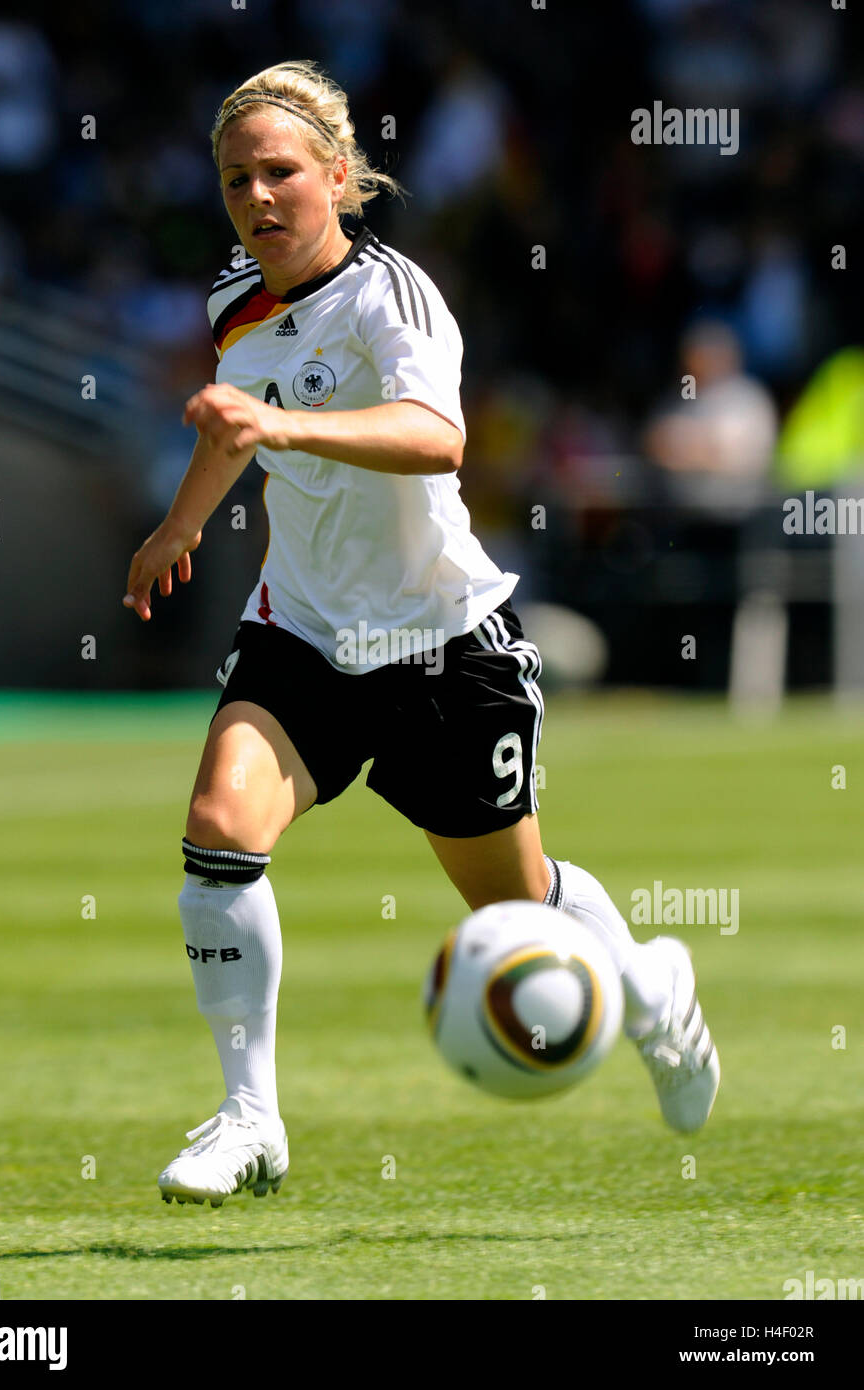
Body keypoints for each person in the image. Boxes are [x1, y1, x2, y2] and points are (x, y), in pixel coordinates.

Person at [122, 60, 720, 1207]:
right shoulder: (234, 302)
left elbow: (436, 437)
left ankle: (650, 993)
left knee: (516, 906)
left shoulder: (395, 293)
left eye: (282, 171)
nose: (258, 195)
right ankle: (250, 1116)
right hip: (300, 630)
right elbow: (236, 423)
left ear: (340, 178)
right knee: (218, 825)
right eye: (236, 177)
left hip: (441, 642)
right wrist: (179, 523)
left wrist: (278, 426)